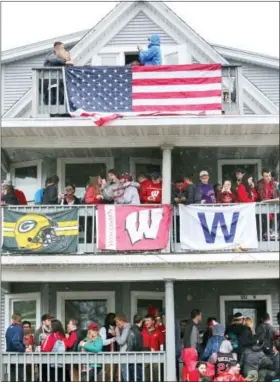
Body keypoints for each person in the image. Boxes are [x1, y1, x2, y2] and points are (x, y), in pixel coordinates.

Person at [142, 314, 164, 382]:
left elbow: (161, 345)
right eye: (145, 321)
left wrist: (161, 354)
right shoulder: (142, 332)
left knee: (156, 377)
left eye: (148, 320)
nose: (146, 322)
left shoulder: (158, 332)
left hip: (156, 358)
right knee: (146, 377)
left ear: (153, 321)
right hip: (144, 357)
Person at [5, 313, 25, 382]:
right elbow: (15, 341)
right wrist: (23, 349)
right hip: (17, 355)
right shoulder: (19, 328)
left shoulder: (9, 328)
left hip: (9, 355)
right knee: (19, 376)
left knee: (12, 376)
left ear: (13, 319)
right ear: (19, 319)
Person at [99, 313, 118, 382]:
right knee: (108, 374)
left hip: (117, 354)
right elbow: (102, 342)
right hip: (107, 355)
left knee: (117, 375)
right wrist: (113, 339)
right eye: (111, 318)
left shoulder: (117, 328)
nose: (113, 320)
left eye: (114, 318)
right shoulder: (103, 329)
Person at [115, 313, 133, 382]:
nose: (116, 324)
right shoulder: (128, 327)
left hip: (125, 354)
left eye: (117, 322)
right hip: (128, 353)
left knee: (126, 375)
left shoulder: (126, 328)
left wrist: (117, 333)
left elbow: (121, 342)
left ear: (122, 320)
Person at [128, 314, 144, 382]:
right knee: (137, 377)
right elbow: (138, 346)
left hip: (130, 358)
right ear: (141, 322)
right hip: (136, 358)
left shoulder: (131, 330)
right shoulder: (137, 332)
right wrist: (148, 349)